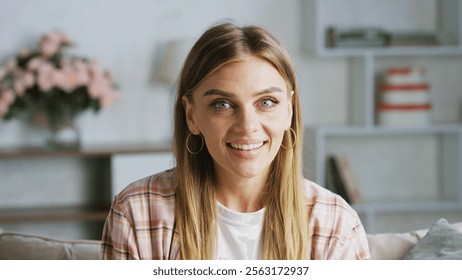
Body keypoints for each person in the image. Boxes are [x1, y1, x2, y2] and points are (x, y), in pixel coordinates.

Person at [100, 22, 370, 260]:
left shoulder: (334, 222)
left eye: (266, 102)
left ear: (289, 109)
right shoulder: (137, 213)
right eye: (222, 104)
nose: (247, 127)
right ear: (191, 115)